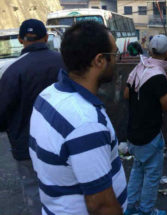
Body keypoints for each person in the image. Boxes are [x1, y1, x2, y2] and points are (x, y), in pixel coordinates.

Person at [29, 21, 127, 215]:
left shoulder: (48, 94)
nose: (117, 60)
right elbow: (101, 206)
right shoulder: (86, 123)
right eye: (115, 54)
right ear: (99, 60)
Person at [0, 19, 64, 214]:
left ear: (20, 40)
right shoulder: (64, 62)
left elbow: (2, 114)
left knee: (33, 192)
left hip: (26, 146)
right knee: (64, 191)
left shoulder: (11, 71)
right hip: (62, 142)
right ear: (46, 38)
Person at [124, 35, 167, 215]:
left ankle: (129, 208)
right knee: (152, 176)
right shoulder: (159, 76)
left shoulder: (139, 68)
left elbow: (125, 94)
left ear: (151, 51)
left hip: (133, 133)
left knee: (137, 171)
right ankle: (146, 211)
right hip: (150, 135)